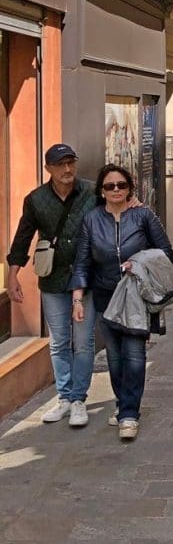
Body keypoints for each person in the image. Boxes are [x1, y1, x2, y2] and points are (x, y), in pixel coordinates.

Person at [70, 164, 173, 442]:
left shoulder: (143, 216)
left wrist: (139, 262)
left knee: (134, 355)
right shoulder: (91, 220)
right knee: (115, 359)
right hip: (106, 296)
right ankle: (122, 403)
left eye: (121, 185)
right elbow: (82, 261)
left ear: (130, 188)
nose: (116, 190)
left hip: (136, 297)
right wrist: (78, 298)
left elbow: (164, 252)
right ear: (102, 191)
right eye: (109, 186)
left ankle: (130, 414)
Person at [7, 144, 98, 427]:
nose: (67, 169)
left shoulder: (91, 192)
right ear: (48, 168)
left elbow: (115, 215)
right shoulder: (36, 199)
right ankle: (64, 398)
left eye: (71, 163)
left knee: (83, 342)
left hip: (87, 278)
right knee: (59, 342)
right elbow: (23, 238)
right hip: (53, 279)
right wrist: (12, 276)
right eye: (61, 164)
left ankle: (80, 399)